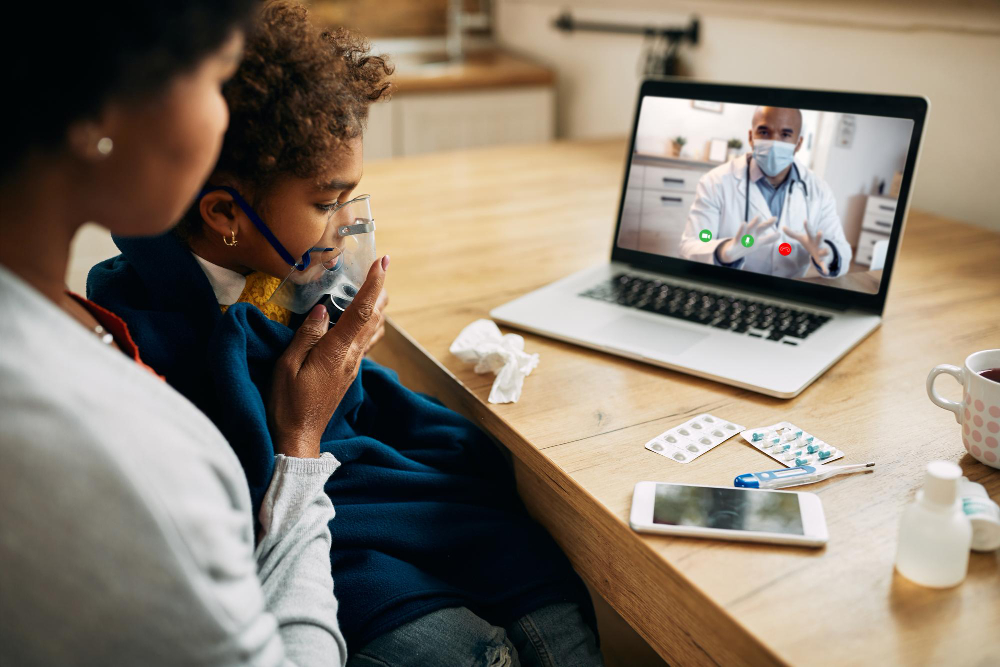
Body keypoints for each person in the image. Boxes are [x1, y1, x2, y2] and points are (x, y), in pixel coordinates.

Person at [85, 3, 604, 666]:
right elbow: (245, 496)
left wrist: (347, 355)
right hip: (321, 542)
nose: (343, 227)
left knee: (555, 612)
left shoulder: (276, 273)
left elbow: (361, 415)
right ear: (224, 214)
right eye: (326, 203)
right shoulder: (148, 330)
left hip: (378, 498)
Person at [0, 2, 387, 664]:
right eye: (216, 77)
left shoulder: (57, 315)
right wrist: (299, 446)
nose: (223, 112)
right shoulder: (118, 457)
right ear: (101, 106)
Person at [679, 106, 852, 279]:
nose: (774, 143)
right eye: (764, 132)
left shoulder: (819, 190)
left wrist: (827, 253)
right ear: (750, 137)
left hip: (789, 290)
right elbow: (692, 244)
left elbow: (841, 248)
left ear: (798, 143)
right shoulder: (715, 182)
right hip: (731, 284)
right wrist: (724, 251)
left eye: (785, 134)